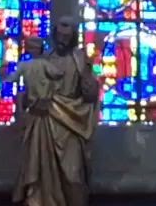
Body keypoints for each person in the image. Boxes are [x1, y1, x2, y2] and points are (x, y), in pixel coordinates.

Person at [14, 23, 99, 206]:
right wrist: (27, 99)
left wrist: (90, 84)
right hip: (45, 120)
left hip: (72, 121)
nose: (62, 41)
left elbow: (90, 93)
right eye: (59, 36)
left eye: (66, 37)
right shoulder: (45, 59)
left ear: (73, 38)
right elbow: (32, 89)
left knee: (73, 175)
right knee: (42, 172)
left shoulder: (80, 60)